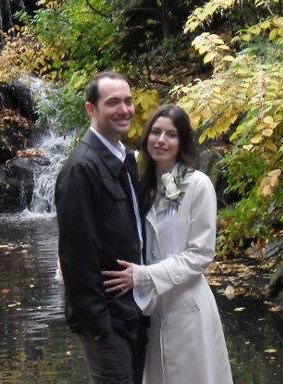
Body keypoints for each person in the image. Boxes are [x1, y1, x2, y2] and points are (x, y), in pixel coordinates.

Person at [103, 105, 233, 384]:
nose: (161, 140)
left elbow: (200, 255)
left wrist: (143, 275)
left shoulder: (199, 185)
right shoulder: (144, 186)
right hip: (154, 309)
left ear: (182, 142)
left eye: (171, 134)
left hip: (188, 307)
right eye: (156, 132)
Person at [55, 72, 146, 384]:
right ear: (91, 109)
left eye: (128, 101)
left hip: (134, 311)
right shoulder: (81, 168)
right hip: (109, 322)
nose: (124, 109)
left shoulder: (124, 158)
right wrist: (99, 326)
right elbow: (75, 256)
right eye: (113, 103)